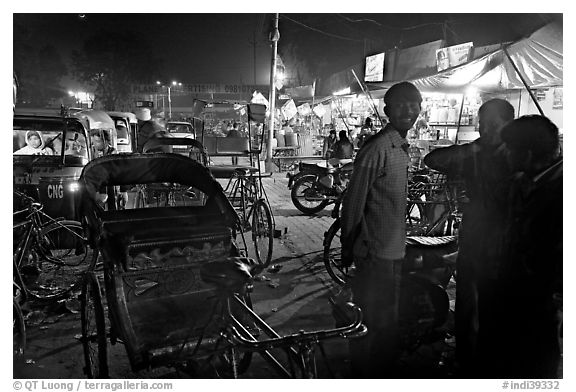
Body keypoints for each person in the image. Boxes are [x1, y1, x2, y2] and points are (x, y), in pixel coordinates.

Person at [423, 98, 515, 377]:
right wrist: (472, 149)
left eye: (494, 125)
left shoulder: (517, 155)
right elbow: (433, 160)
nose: (486, 130)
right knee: (467, 296)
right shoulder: (475, 152)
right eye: (482, 124)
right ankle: (465, 357)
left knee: (495, 300)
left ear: (509, 126)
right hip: (476, 230)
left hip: (507, 237)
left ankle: (491, 358)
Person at [341, 81, 422, 378]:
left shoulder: (401, 147)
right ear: (388, 110)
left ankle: (382, 371)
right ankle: (367, 375)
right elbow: (353, 204)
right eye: (400, 104)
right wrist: (348, 247)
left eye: (413, 105)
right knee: (374, 321)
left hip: (394, 248)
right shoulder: (377, 149)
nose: (408, 110)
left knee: (387, 319)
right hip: (375, 252)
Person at [480, 115, 562, 378]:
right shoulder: (520, 182)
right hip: (508, 290)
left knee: (533, 362)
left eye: (509, 149)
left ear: (526, 154)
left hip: (539, 300)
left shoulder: (560, 191)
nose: (504, 154)